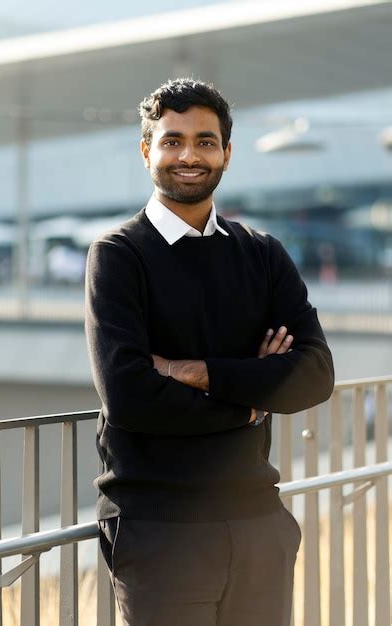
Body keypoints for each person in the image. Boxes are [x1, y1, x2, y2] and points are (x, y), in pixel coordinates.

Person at [85, 78, 334, 626]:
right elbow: (130, 396)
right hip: (160, 530)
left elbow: (315, 374)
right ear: (147, 150)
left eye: (205, 141)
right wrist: (254, 391)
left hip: (257, 522)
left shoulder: (262, 254)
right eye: (172, 141)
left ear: (226, 152)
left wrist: (191, 372)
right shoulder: (119, 256)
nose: (189, 156)